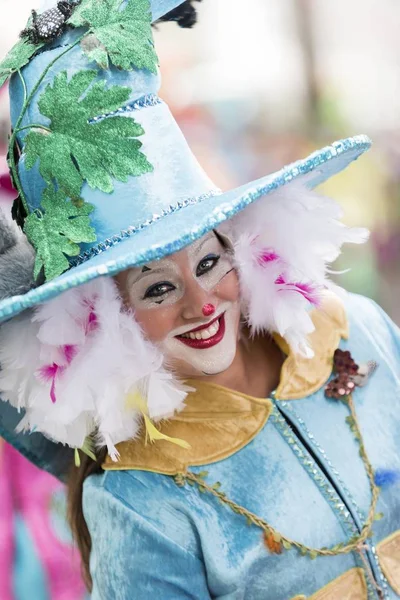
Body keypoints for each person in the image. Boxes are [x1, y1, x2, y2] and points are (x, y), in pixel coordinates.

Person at [0, 1, 399, 599]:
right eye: (157, 287)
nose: (201, 303)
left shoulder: (355, 329)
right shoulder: (136, 499)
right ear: (101, 318)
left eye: (210, 263)